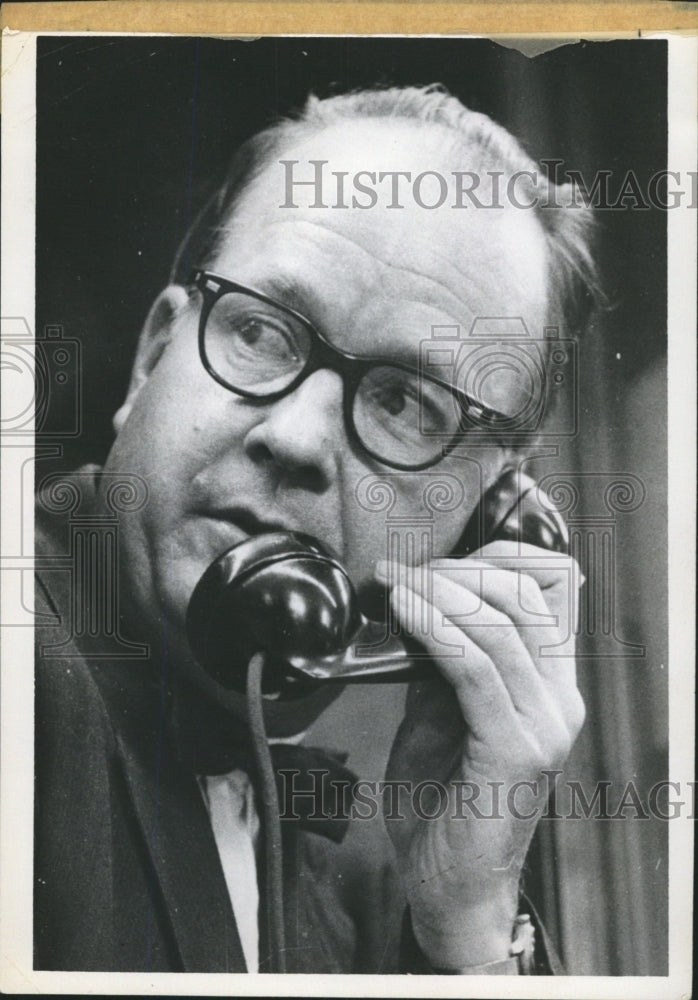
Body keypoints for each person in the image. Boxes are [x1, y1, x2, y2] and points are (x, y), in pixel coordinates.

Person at [34, 85, 592, 974]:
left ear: (483, 523)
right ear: (151, 359)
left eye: (407, 402)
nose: (293, 437)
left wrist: (467, 931)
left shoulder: (361, 894)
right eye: (261, 331)